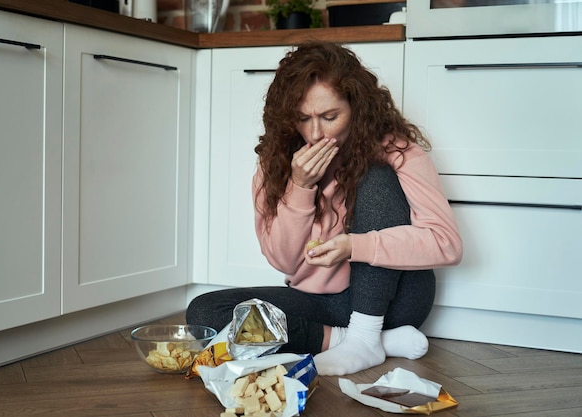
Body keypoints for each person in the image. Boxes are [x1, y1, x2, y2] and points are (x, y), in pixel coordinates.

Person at [187, 41, 462, 376]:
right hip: (318, 304)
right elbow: (284, 261)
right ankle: (362, 342)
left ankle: (366, 333)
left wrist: (355, 247)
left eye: (330, 117)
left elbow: (446, 243)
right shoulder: (276, 162)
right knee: (204, 312)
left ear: (357, 108)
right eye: (303, 118)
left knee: (377, 176)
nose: (315, 133)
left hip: (394, 300)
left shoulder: (398, 152)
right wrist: (300, 187)